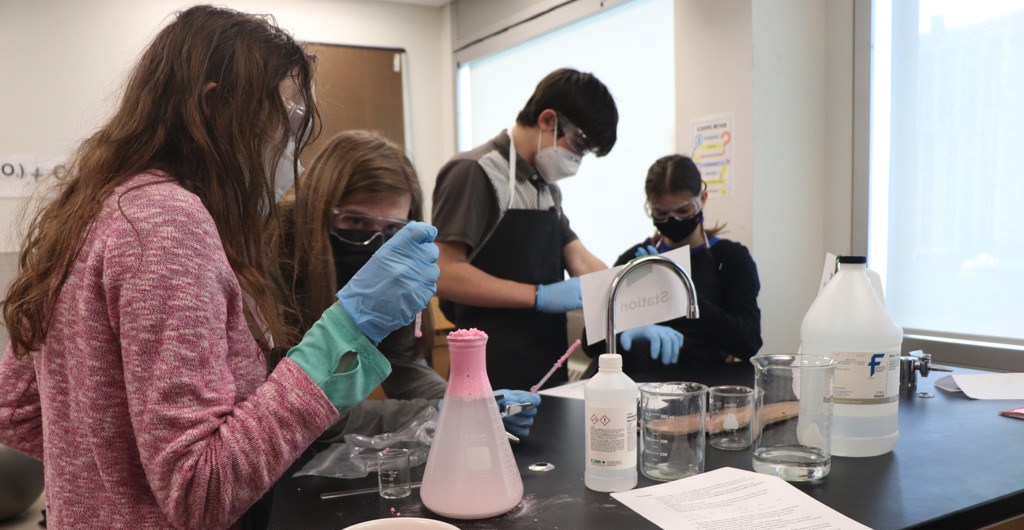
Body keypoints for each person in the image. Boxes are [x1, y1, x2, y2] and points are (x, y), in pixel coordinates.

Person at [0, 7, 438, 530]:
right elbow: (202, 490)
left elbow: (18, 408)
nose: (293, 151)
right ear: (216, 105)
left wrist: (114, 486)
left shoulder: (100, 207)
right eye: (289, 122)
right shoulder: (168, 222)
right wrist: (345, 335)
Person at [276, 130, 539, 438]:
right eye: (356, 222)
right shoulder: (274, 264)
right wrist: (438, 414)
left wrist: (470, 404)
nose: (374, 242)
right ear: (318, 211)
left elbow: (404, 364)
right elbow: (302, 411)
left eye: (391, 228)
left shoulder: (400, 269)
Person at [432, 68, 637, 390]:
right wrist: (538, 296)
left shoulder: (546, 187)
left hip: (546, 364)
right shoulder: (474, 172)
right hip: (489, 368)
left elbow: (580, 259)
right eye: (579, 144)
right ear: (547, 120)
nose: (578, 159)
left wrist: (625, 304)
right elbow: (443, 272)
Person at [611, 154, 762, 376]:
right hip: (640, 385)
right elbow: (590, 341)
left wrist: (687, 295)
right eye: (661, 213)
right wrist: (625, 333)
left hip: (705, 387)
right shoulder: (635, 258)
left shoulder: (730, 259)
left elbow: (748, 342)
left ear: (702, 198)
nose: (673, 220)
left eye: (684, 211)